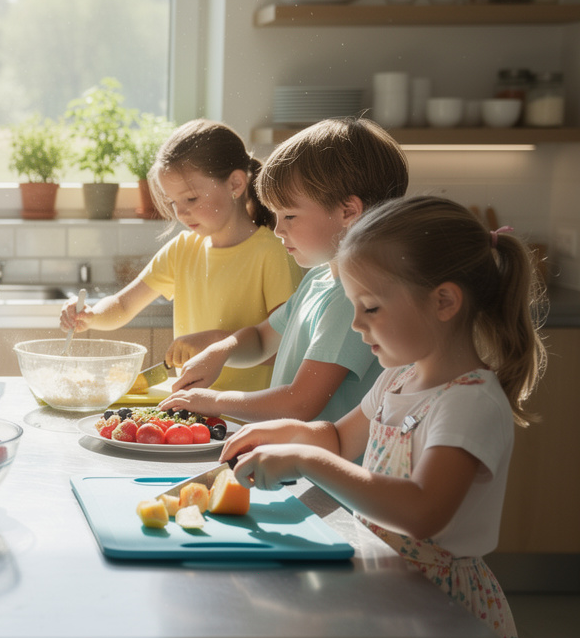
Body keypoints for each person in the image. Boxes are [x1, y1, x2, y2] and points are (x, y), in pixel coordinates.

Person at [222, 195, 542, 638]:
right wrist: (282, 434)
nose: (356, 325)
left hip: (438, 605)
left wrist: (308, 459)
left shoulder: (469, 403)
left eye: (370, 307)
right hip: (387, 584)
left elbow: (422, 511)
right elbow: (338, 436)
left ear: (444, 301)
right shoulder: (399, 377)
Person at [160, 117, 408, 423]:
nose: (277, 229)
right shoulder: (318, 280)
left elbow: (300, 403)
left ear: (348, 212)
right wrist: (220, 351)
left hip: (327, 468)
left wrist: (215, 401)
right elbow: (262, 340)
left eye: (289, 215)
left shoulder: (355, 298)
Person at [59, 119, 302, 391]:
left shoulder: (272, 253)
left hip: (246, 420)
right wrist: (92, 315)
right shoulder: (182, 250)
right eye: (173, 202)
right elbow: (124, 306)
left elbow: (285, 349)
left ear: (235, 184)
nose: (180, 213)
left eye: (191, 199)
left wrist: (213, 342)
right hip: (192, 414)